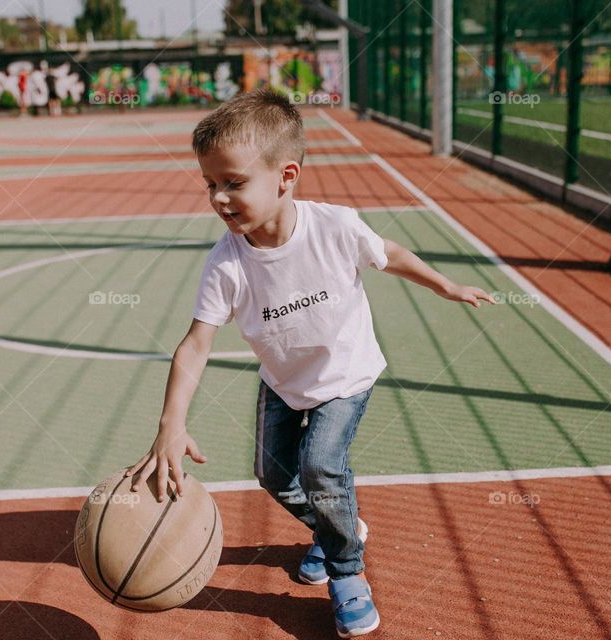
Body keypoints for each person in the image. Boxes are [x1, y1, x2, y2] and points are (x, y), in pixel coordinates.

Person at [126, 88, 494, 638]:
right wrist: (170, 424)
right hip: (285, 380)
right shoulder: (226, 264)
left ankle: (347, 571)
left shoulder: (334, 227)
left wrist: (444, 283)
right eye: (210, 184)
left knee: (321, 466)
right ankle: (335, 526)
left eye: (234, 182)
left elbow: (386, 253)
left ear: (286, 175)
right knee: (272, 475)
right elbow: (196, 343)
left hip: (345, 375)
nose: (219, 198)